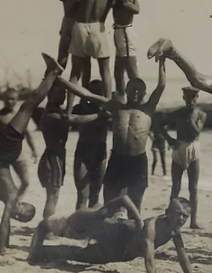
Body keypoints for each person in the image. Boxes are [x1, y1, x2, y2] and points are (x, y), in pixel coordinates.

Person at [58, 58, 166, 211]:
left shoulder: (147, 109)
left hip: (137, 161)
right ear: (126, 91)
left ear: (143, 93)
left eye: (139, 90)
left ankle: (133, 231)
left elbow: (161, 86)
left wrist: (162, 62)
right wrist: (60, 79)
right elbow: (86, 95)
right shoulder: (116, 107)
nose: (135, 92)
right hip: (117, 159)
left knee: (135, 205)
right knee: (110, 202)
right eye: (132, 89)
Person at [28, 196, 195, 273]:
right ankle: (42, 245)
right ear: (167, 212)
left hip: (122, 252)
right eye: (178, 213)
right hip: (115, 240)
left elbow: (183, 257)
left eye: (185, 216)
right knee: (78, 253)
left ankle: (44, 247)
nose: (181, 219)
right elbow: (149, 261)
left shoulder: (175, 231)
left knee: (82, 255)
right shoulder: (152, 227)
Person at [0, 54, 63, 255]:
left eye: (21, 206)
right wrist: (4, 247)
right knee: (27, 107)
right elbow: (6, 223)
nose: (19, 203)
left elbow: (4, 223)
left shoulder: (10, 198)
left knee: (28, 107)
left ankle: (52, 73)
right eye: (22, 204)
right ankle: (51, 74)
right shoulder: (10, 198)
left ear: (18, 214)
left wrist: (3, 249)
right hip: (5, 152)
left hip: (6, 151)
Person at [37, 81, 102, 219]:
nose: (63, 96)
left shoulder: (56, 110)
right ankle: (47, 229)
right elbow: (75, 119)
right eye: (59, 93)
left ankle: (48, 227)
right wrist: (99, 116)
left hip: (56, 157)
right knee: (52, 196)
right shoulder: (52, 114)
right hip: (53, 157)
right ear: (50, 94)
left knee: (53, 195)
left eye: (64, 93)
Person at [64, 0, 115, 116]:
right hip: (97, 26)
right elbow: (104, 14)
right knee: (104, 68)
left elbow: (68, 0)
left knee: (75, 73)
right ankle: (108, 105)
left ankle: (68, 109)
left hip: (80, 26)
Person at [160, 87, 207, 229]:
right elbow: (159, 125)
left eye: (193, 97)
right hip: (179, 147)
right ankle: (170, 217)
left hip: (193, 148)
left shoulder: (201, 114)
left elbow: (196, 132)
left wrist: (190, 116)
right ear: (183, 98)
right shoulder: (178, 113)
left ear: (197, 98)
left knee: (193, 187)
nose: (191, 100)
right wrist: (169, 139)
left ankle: (193, 221)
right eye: (188, 97)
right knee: (176, 186)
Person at [0, 89, 39, 192]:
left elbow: (27, 134)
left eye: (12, 99)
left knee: (26, 182)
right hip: (2, 155)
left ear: (17, 100)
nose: (10, 102)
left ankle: (15, 201)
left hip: (17, 153)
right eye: (7, 99)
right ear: (3, 99)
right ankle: (12, 202)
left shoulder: (20, 116)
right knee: (5, 186)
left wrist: (34, 150)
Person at [72, 80, 111, 209]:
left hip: (99, 152)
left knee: (94, 195)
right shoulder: (81, 109)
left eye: (98, 93)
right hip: (85, 151)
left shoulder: (107, 110)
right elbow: (74, 118)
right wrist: (99, 115)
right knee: (83, 195)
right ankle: (79, 227)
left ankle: (90, 226)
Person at [57, 0, 96, 71]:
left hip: (82, 25)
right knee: (62, 58)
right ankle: (54, 86)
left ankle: (78, 87)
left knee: (81, 61)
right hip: (69, 23)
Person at [110, 0, 141, 96]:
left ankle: (139, 98)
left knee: (131, 69)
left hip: (126, 32)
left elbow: (136, 9)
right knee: (118, 71)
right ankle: (121, 97)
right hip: (118, 32)